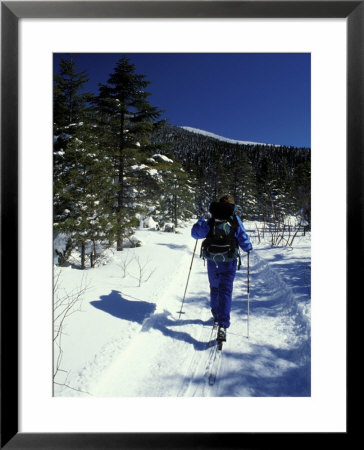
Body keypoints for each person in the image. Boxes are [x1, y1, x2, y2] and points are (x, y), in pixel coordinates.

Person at [191, 195, 252, 343]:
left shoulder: (212, 218)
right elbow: (242, 237)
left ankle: (216, 314)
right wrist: (248, 248)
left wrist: (200, 221)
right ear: (232, 206)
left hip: (212, 259)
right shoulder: (234, 219)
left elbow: (195, 234)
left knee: (214, 287)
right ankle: (223, 324)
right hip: (229, 259)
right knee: (226, 290)